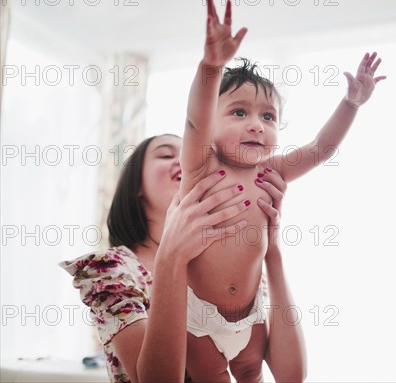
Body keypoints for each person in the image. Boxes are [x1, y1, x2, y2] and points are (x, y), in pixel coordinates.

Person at [181, 0, 385, 381]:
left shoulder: (269, 171)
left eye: (268, 116)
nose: (257, 124)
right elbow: (193, 122)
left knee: (251, 372)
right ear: (212, 122)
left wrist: (351, 104)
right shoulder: (201, 167)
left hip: (252, 313)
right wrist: (211, 66)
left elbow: (320, 149)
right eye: (239, 112)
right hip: (200, 318)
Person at [60, 134, 306, 383]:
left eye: (192, 156)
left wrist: (271, 252)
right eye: (167, 155)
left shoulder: (232, 268)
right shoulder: (112, 270)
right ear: (136, 185)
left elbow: (291, 375)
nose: (187, 163)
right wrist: (172, 257)